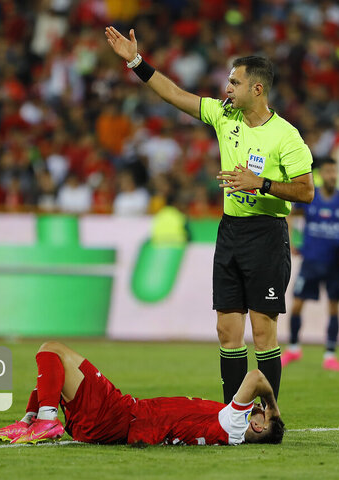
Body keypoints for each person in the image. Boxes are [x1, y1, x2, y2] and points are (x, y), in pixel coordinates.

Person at [105, 27, 314, 404]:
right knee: (226, 330)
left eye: (234, 82)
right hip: (230, 232)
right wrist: (136, 61)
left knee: (263, 332)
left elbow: (306, 191)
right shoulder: (224, 116)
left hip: (267, 235)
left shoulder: (287, 137)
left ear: (257, 89)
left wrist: (260, 183)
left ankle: (267, 415)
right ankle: (233, 417)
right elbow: (174, 95)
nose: (227, 88)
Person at [0, 341, 285, 446]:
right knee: (56, 373)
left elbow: (256, 377)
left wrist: (273, 406)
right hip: (115, 423)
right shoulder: (226, 430)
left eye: (259, 413)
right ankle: (28, 421)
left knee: (51, 350)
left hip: (119, 415)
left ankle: (45, 419)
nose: (257, 407)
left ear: (258, 425)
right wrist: (266, 412)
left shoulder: (233, 424)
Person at [281, 158, 339, 371]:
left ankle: (330, 354)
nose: (331, 175)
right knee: (296, 304)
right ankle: (294, 348)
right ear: (321, 174)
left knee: (334, 306)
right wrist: (290, 241)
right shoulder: (310, 198)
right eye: (328, 171)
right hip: (311, 260)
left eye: (334, 171)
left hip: (334, 263)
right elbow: (290, 214)